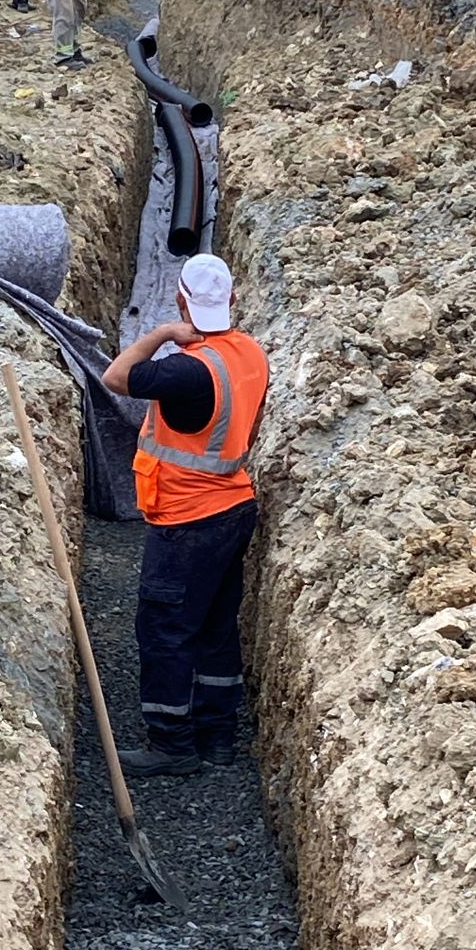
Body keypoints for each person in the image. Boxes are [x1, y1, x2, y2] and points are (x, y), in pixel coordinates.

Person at [102, 254, 269, 777]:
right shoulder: (248, 354)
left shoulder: (184, 370)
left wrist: (159, 335)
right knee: (216, 626)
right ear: (234, 301)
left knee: (166, 629)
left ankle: (172, 743)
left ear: (180, 300)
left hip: (186, 517)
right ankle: (218, 737)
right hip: (233, 506)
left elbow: (117, 376)